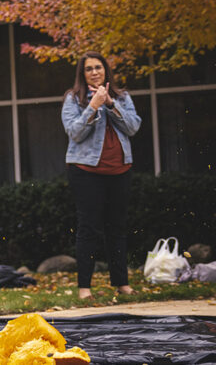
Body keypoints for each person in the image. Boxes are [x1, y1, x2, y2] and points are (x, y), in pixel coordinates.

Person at [61, 51, 142, 300]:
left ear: (106, 70)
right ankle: (84, 287)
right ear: (82, 73)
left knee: (117, 228)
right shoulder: (73, 98)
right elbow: (74, 132)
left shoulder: (121, 97)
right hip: (86, 171)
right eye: (89, 68)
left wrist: (109, 103)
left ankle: (121, 283)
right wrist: (93, 106)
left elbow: (133, 127)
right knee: (89, 229)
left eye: (98, 67)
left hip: (119, 170)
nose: (94, 71)